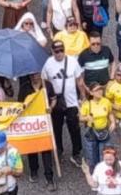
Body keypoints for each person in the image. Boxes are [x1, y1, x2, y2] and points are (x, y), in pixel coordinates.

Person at [43, 40, 85, 169]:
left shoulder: (72, 61)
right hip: (56, 102)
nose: (60, 53)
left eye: (62, 50)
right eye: (57, 51)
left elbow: (79, 79)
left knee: (75, 128)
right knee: (57, 128)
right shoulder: (48, 64)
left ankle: (76, 153)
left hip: (71, 101)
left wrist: (83, 96)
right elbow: (45, 82)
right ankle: (59, 150)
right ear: (52, 51)